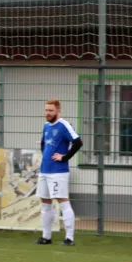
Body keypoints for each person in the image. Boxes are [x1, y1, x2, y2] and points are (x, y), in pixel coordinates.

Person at [34, 99, 82, 246]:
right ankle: (46, 237)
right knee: (45, 202)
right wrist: (46, 156)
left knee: (63, 201)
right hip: (45, 170)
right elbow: (43, 142)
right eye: (46, 110)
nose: (47, 113)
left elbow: (78, 142)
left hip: (58, 171)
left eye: (51, 111)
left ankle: (70, 238)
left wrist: (64, 157)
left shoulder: (63, 125)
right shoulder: (46, 126)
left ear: (58, 111)